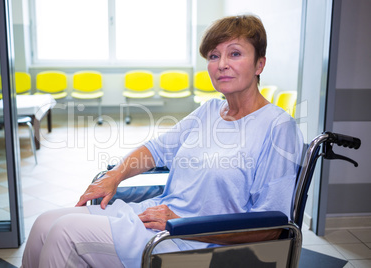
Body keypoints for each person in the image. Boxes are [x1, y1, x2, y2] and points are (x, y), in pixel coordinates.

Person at [22, 15, 303, 268]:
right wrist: (114, 176)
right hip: (160, 217)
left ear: (259, 64)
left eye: (235, 54)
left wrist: (185, 223)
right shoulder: (208, 111)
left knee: (64, 233)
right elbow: (156, 150)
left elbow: (271, 227)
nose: (222, 65)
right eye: (214, 56)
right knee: (44, 223)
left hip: (199, 241)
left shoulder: (278, 127)